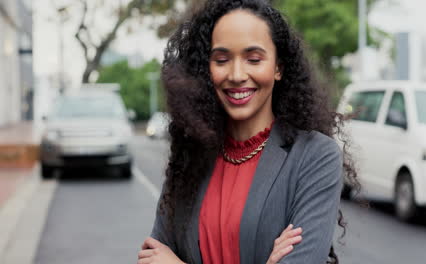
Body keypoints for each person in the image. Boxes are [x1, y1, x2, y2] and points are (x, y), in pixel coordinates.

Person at [137, 0, 357, 263]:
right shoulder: (191, 156)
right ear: (206, 69)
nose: (237, 74)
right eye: (221, 60)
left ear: (278, 67)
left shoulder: (314, 156)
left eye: (253, 59)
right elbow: (152, 257)